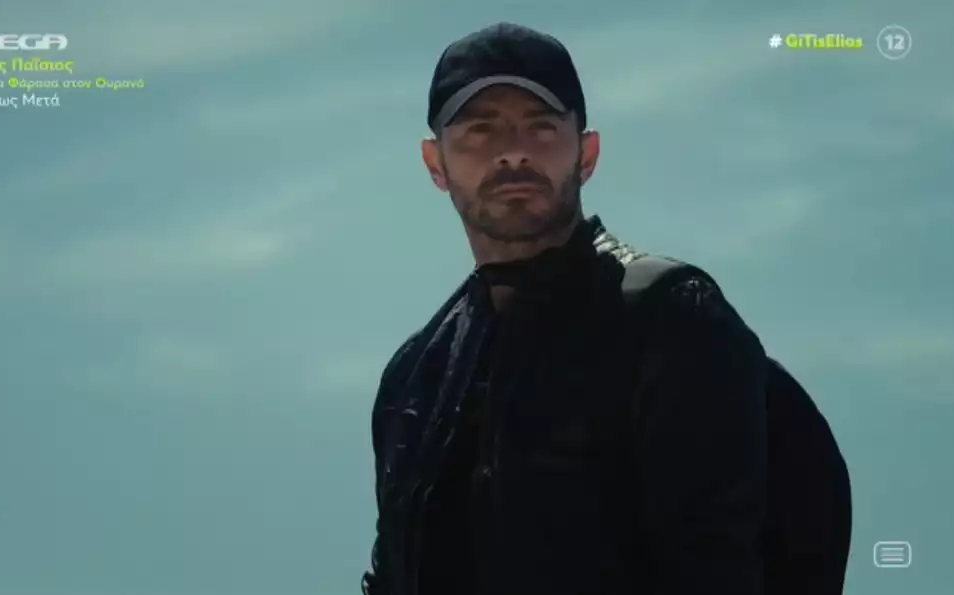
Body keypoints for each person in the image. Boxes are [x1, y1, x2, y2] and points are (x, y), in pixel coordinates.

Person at [362, 22, 848, 595]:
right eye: (479, 130)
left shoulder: (668, 319)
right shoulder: (415, 379)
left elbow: (716, 564)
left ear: (587, 154)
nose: (513, 151)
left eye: (541, 127)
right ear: (435, 164)